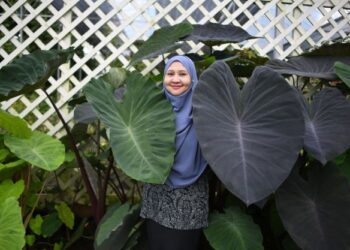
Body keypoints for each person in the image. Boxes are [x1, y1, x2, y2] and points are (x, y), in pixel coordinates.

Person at [140, 55, 209, 250]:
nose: (176, 79)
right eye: (170, 74)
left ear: (193, 78)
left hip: (189, 196)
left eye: (182, 74)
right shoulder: (152, 108)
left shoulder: (205, 111)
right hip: (157, 192)